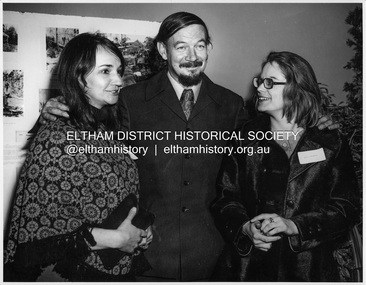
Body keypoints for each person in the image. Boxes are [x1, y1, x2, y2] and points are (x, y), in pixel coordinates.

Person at [39, 13, 337, 281]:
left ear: (209, 47)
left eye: (200, 45)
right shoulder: (128, 99)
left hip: (215, 256)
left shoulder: (232, 105)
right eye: (181, 46)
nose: (192, 55)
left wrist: (316, 122)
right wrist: (54, 113)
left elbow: (265, 153)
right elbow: (92, 144)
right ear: (162, 50)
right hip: (146, 254)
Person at [4, 32, 153, 282]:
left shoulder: (105, 129)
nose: (118, 80)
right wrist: (117, 238)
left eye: (119, 70)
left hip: (117, 268)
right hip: (76, 273)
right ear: (79, 77)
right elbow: (37, 231)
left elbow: (113, 195)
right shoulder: (55, 136)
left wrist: (138, 231)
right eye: (106, 71)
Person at [211, 51, 360, 281]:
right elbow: (225, 199)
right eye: (259, 81)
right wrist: (245, 227)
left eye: (269, 82)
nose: (260, 88)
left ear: (296, 90)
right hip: (247, 269)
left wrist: (295, 226)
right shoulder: (243, 138)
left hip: (309, 271)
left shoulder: (330, 142)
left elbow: (346, 208)